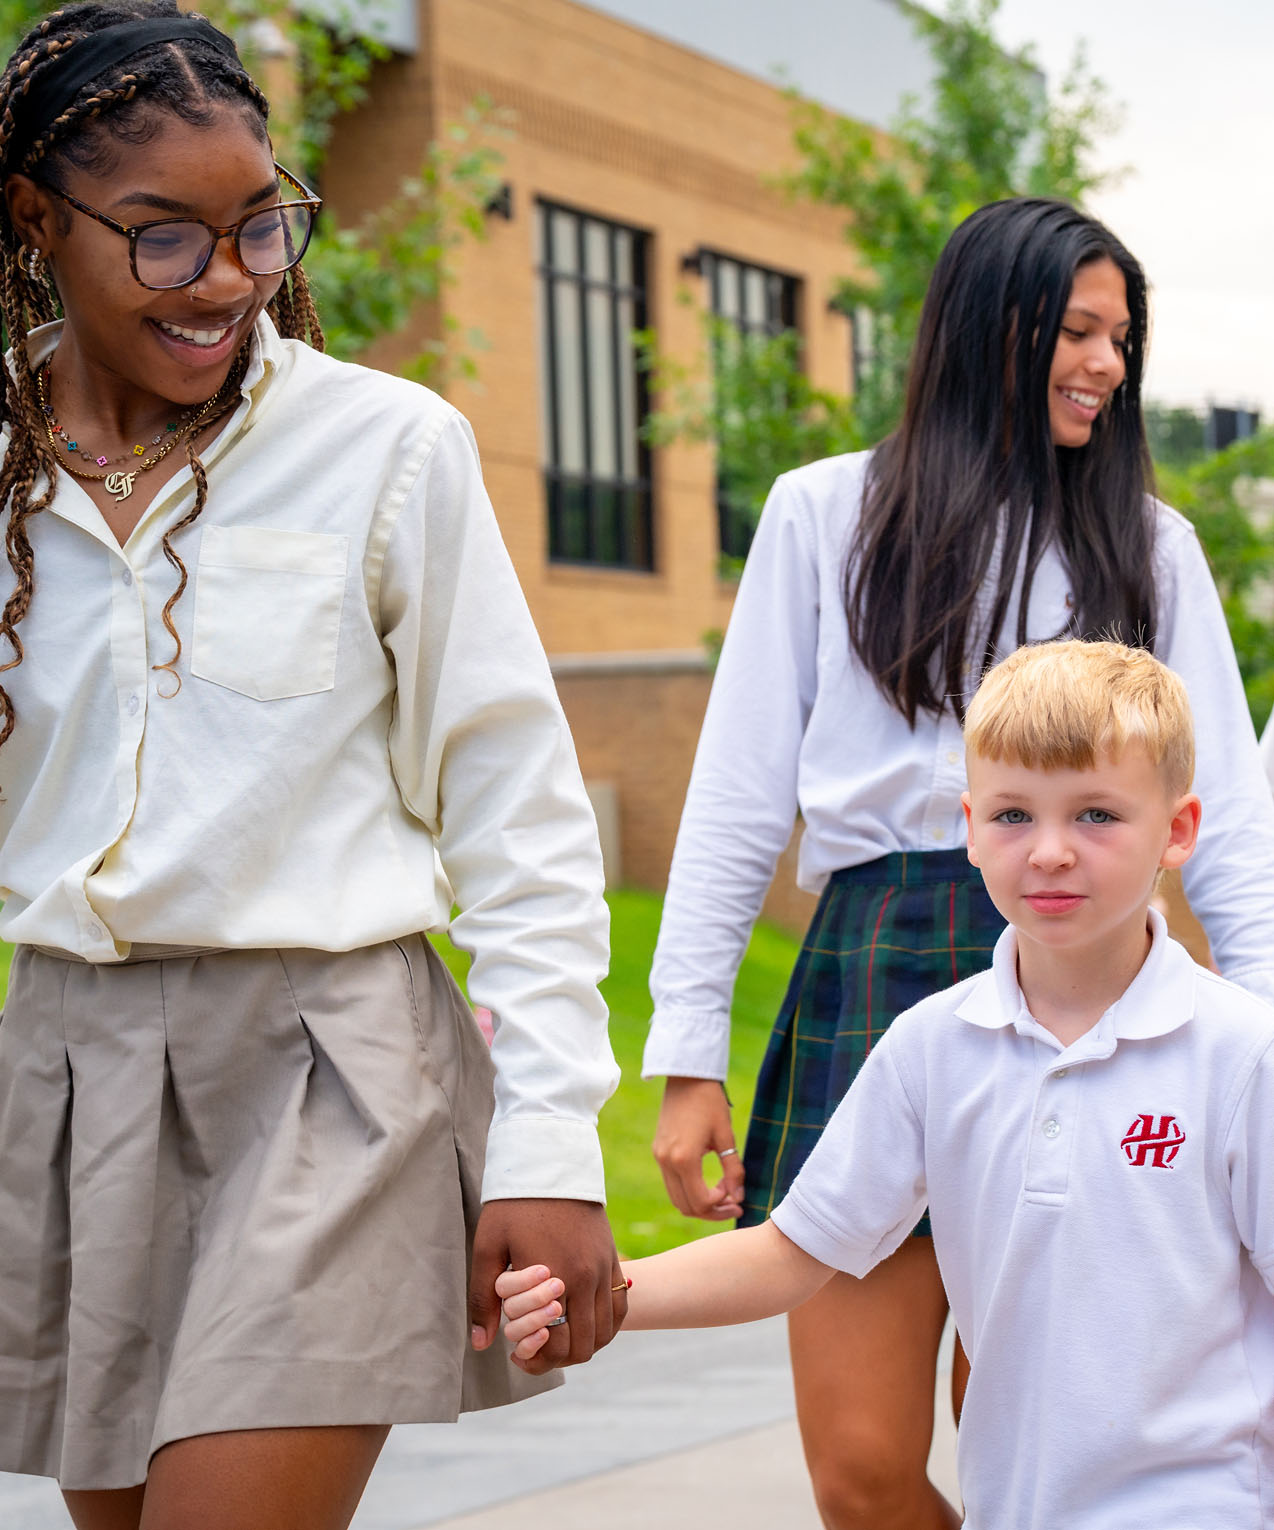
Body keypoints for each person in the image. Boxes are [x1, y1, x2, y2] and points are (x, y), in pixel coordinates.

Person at [0, 6, 625, 1529]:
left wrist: (553, 1144)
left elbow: (518, 812)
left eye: (260, 225)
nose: (228, 279)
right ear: (35, 219)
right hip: (76, 1068)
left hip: (331, 1069)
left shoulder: (386, 446)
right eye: (162, 237)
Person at [643, 198, 1274, 1530]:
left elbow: (1222, 813)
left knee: (1045, 1446)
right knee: (860, 1468)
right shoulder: (823, 513)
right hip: (874, 969)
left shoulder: (1145, 543)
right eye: (1080, 330)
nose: (1107, 364)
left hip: (1089, 974)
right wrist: (687, 1052)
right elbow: (737, 795)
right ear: (993, 326)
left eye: (1122, 338)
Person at [504, 639, 1274, 1530]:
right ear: (970, 827)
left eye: (1097, 815)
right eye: (1014, 815)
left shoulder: (1242, 1054)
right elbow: (790, 1254)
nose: (1052, 851)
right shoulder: (929, 1050)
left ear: (1177, 831)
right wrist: (603, 1297)